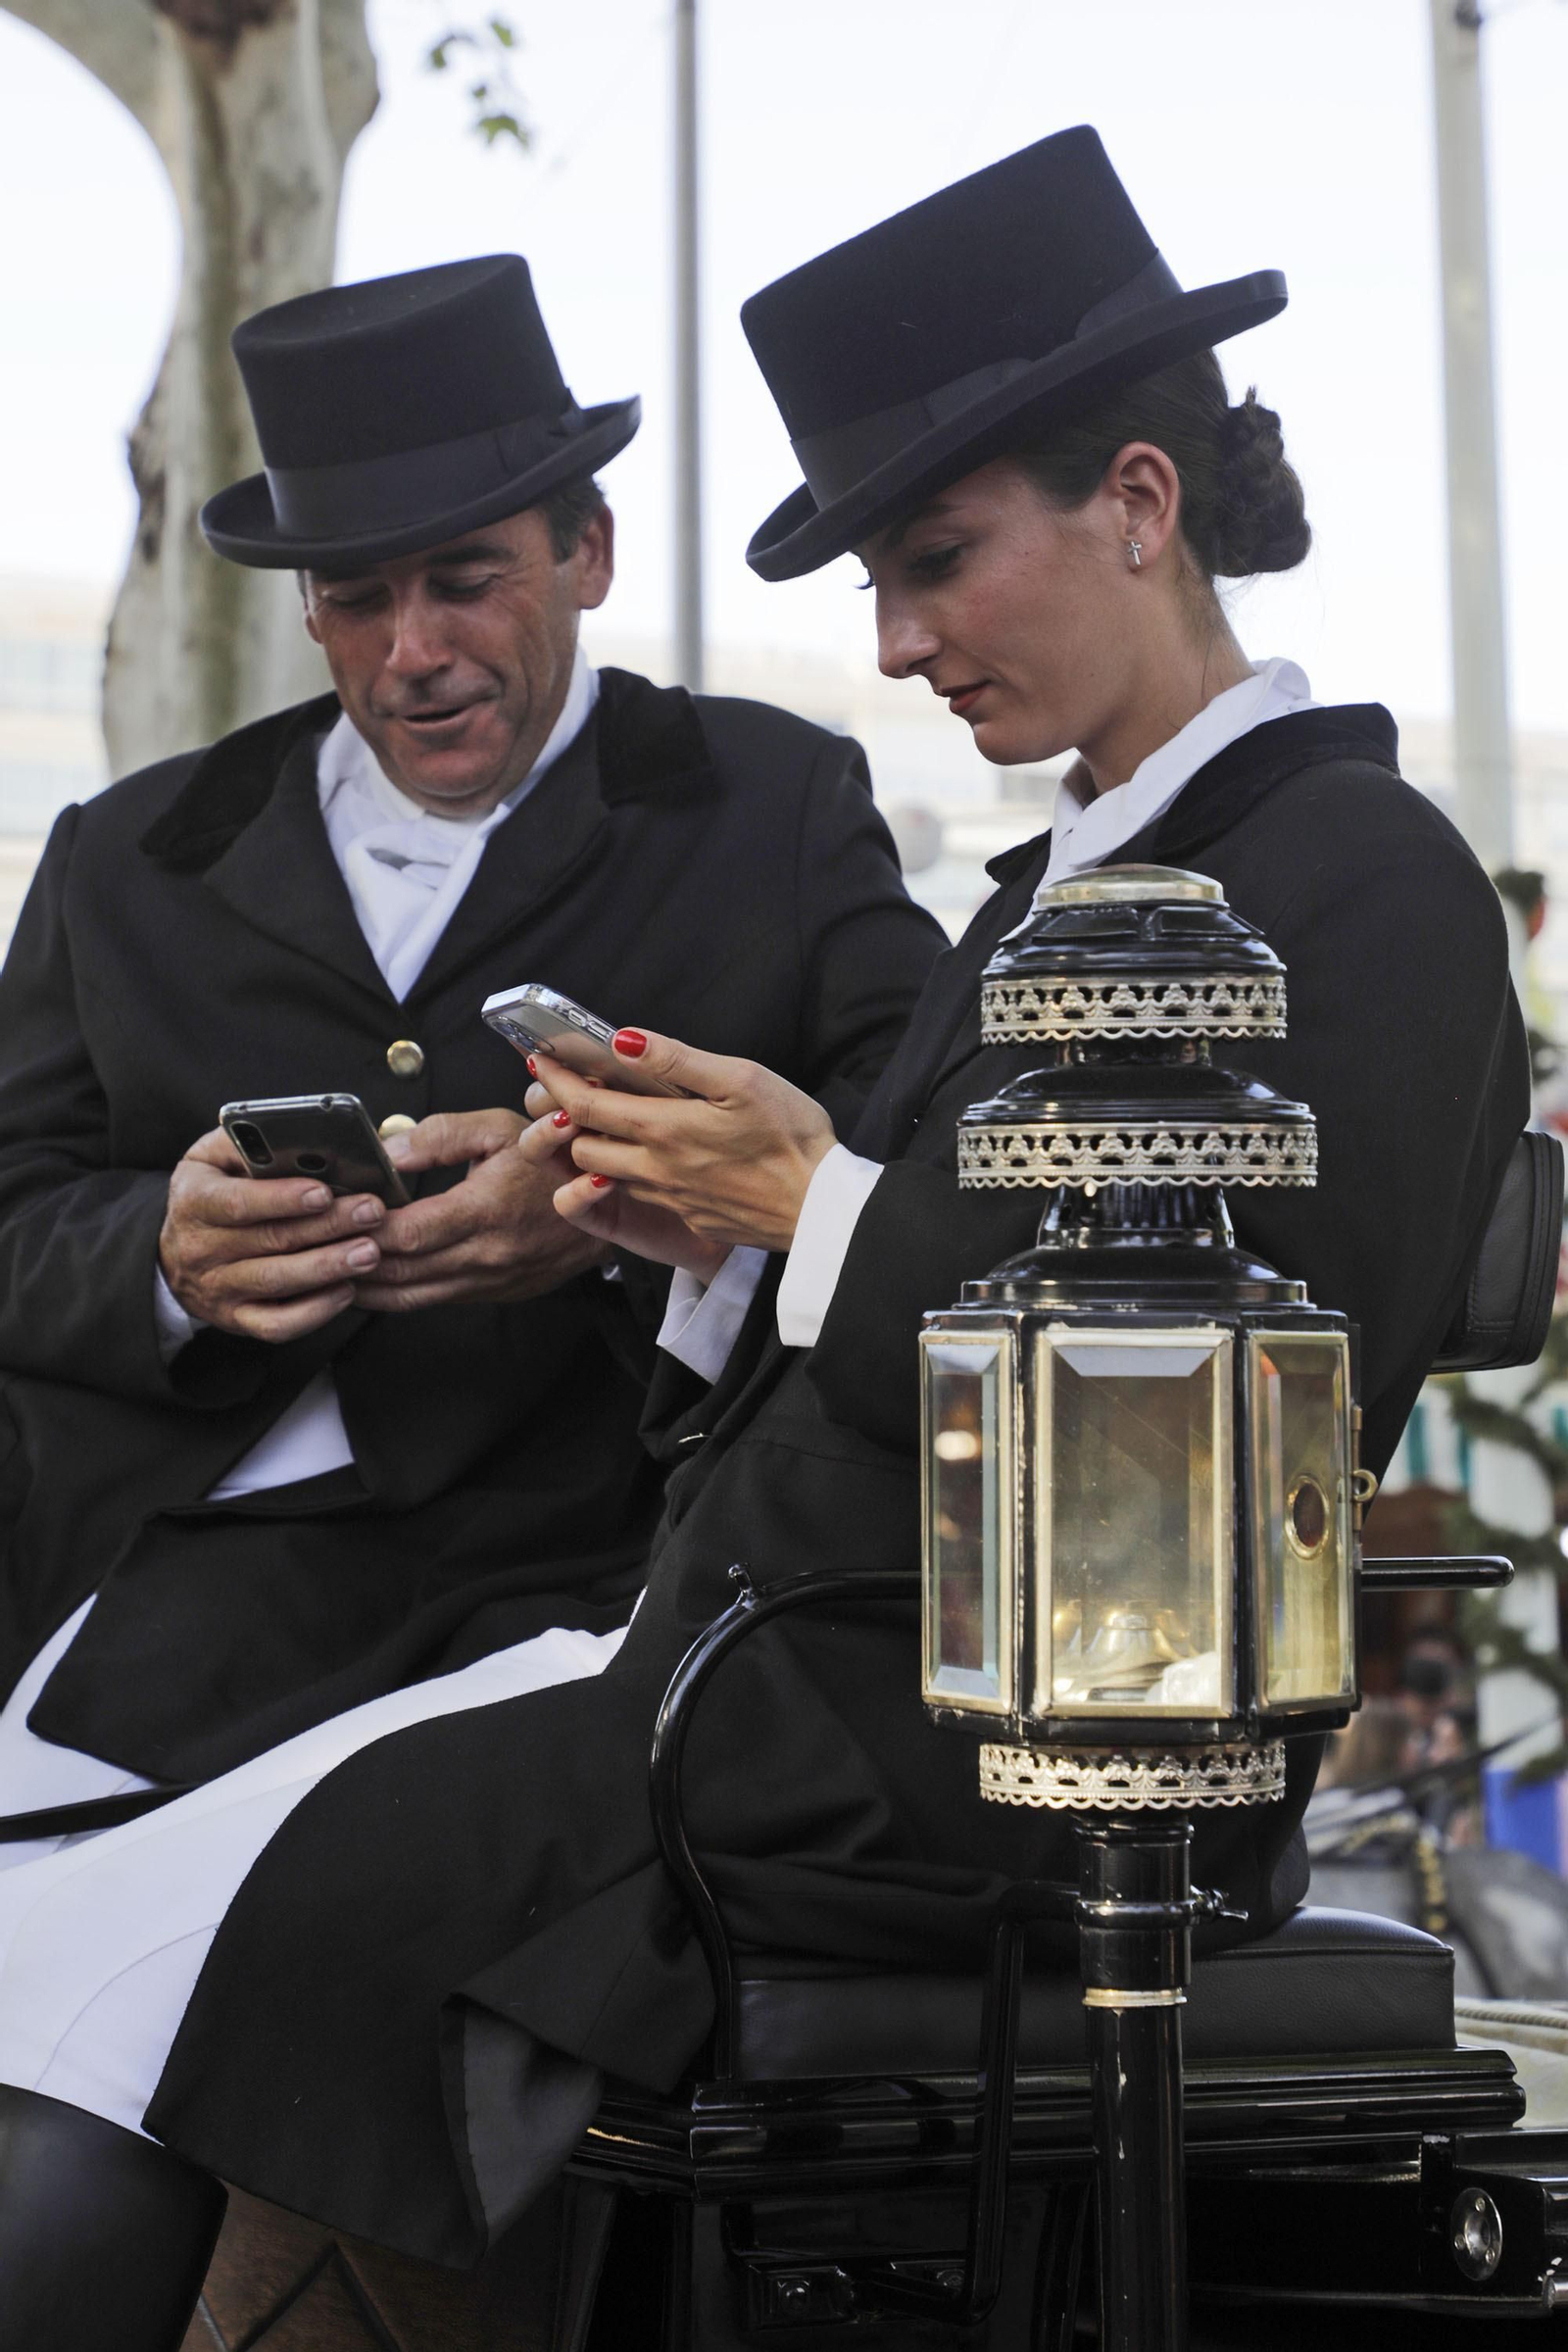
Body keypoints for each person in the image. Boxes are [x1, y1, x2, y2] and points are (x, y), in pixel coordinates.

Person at [0, 129, 1529, 2340]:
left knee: (255, 1934)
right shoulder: (1057, 890)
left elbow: (1218, 1389)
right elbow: (917, 1284)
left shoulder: (1355, 874)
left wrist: (797, 1203)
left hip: (976, 1736)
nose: (894, 645)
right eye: (876, 588)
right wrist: (700, 1234)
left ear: (1134, 499)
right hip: (766, 1661)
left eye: (933, 562)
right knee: (192, 1938)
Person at [0, 254, 943, 1851]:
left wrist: (610, 1217)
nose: (411, 651)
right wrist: (165, 1255)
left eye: (464, 578)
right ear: (303, 603)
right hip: (141, 1577)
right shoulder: (130, 853)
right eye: (356, 600)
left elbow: (908, 1156)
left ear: (587, 550)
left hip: (589, 1582)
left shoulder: (773, 805)